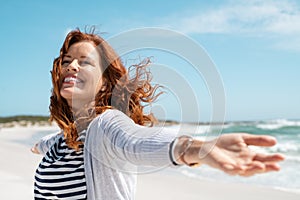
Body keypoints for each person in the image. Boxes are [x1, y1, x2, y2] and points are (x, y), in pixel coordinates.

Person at [31, 28, 284, 200]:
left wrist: (193, 148)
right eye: (66, 61)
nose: (71, 66)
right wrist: (38, 146)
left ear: (106, 82)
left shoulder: (106, 126)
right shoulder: (62, 140)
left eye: (84, 61)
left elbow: (136, 141)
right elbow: (48, 143)